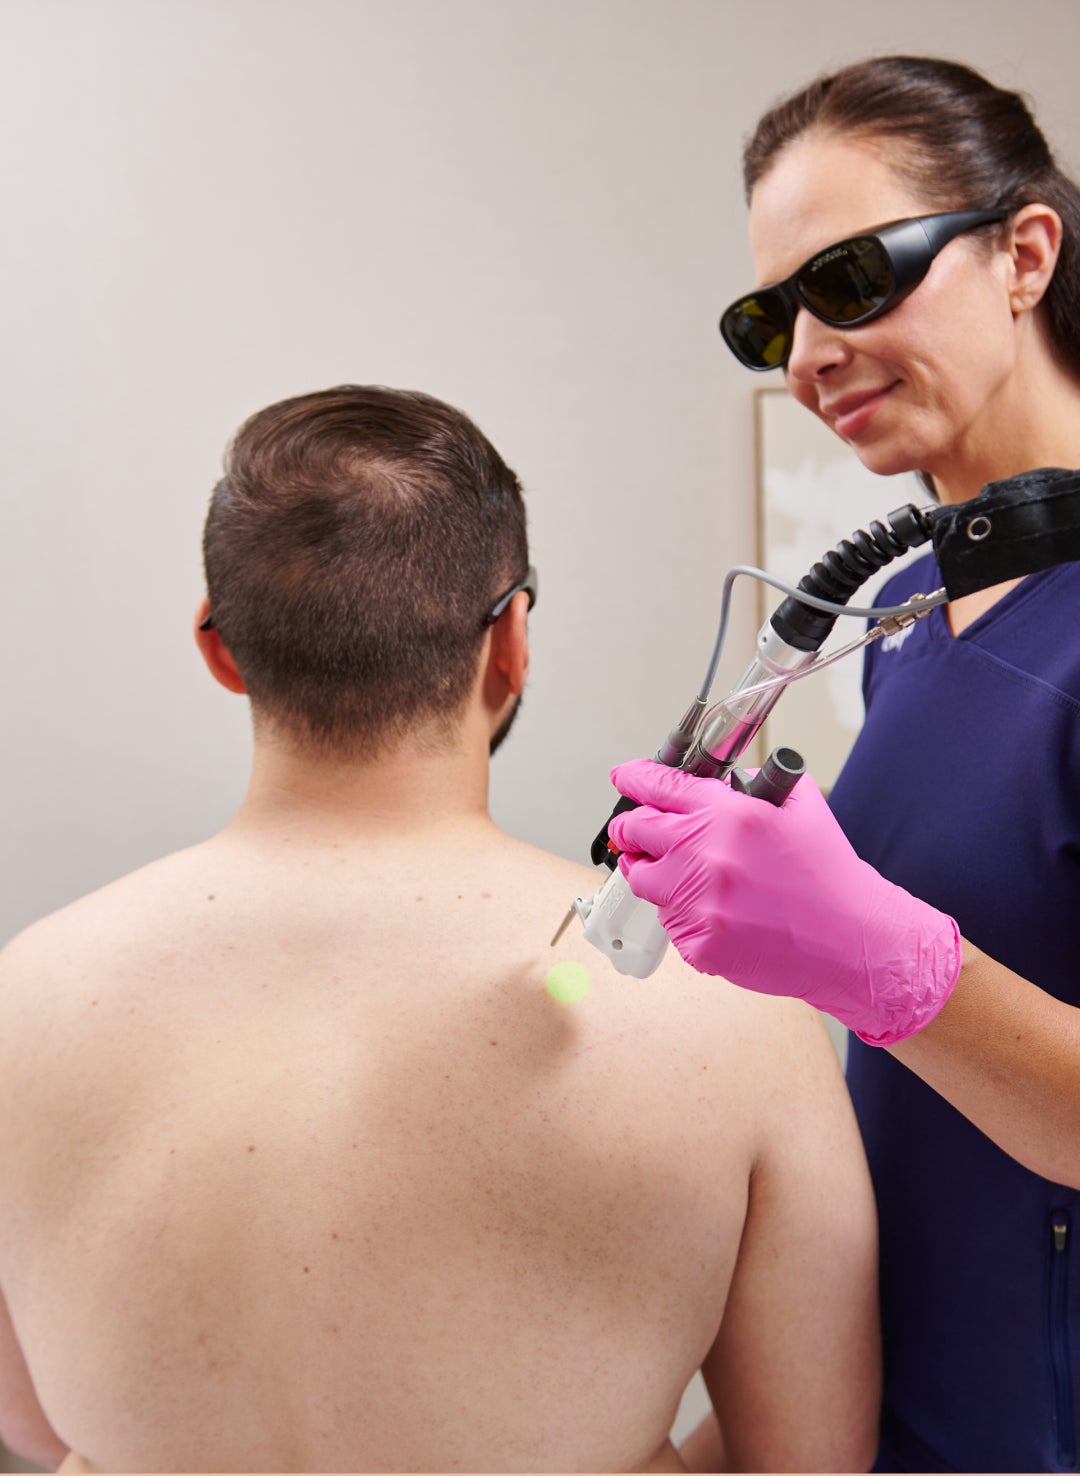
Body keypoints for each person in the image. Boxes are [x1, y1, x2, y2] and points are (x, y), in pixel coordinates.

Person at [0, 385, 878, 1474]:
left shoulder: (23, 996)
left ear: (220, 649)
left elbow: (43, 1428)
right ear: (508, 643)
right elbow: (810, 1457)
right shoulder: (730, 1020)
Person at [609, 54, 1080, 1475]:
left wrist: (884, 960)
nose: (807, 351)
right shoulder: (907, 613)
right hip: (909, 1396)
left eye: (855, 277)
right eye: (774, 314)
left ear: (1025, 255)